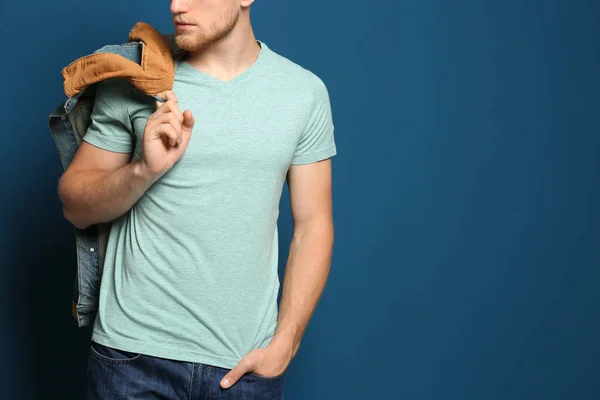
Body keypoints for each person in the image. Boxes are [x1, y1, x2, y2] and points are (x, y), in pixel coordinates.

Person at [58, 0, 337, 398]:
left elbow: (313, 226)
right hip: (132, 359)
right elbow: (75, 206)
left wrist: (284, 345)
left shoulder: (302, 92)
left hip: (243, 367)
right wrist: (144, 170)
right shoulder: (139, 77)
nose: (177, 5)